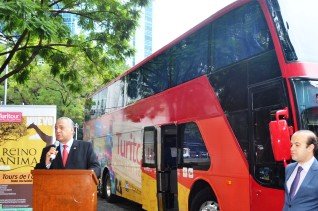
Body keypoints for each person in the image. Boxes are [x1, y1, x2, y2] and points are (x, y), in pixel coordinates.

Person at [35, 117, 101, 178]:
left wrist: (85, 177)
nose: (57, 131)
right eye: (56, 128)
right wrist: (47, 163)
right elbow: (37, 174)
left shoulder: (85, 147)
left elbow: (96, 168)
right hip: (55, 189)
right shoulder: (48, 151)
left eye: (61, 127)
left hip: (78, 188)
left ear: (72, 130)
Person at [283, 130, 318, 211]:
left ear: (310, 147)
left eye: (297, 145)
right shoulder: (289, 168)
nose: (292, 148)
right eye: (291, 145)